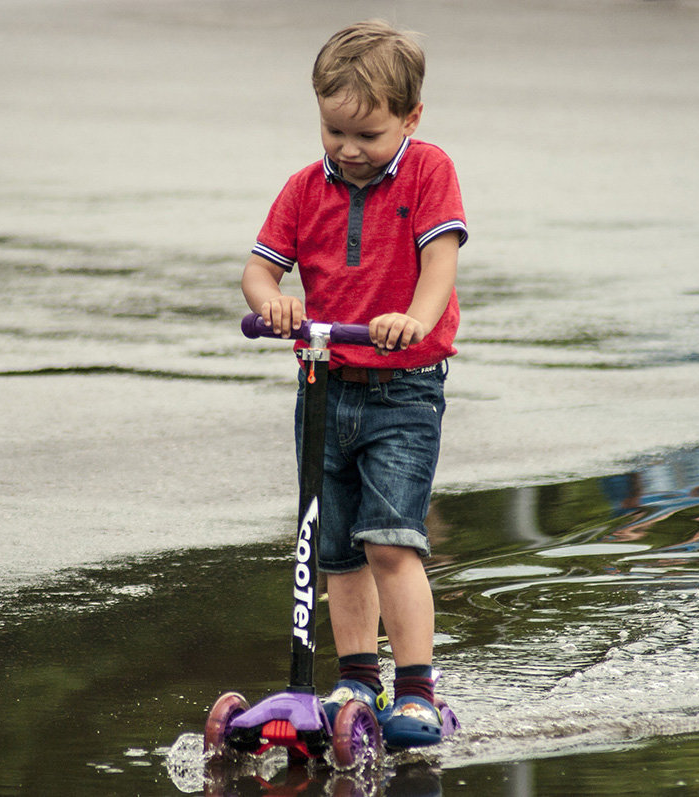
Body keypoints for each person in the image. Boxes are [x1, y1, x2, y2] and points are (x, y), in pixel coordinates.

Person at [240, 19, 466, 748]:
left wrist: (413, 319)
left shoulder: (429, 172)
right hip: (324, 386)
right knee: (333, 545)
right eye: (333, 129)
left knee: (391, 540)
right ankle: (356, 677)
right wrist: (272, 302)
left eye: (367, 134)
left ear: (411, 118)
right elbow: (259, 269)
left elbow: (440, 267)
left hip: (403, 389)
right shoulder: (306, 190)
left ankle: (416, 690)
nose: (347, 148)